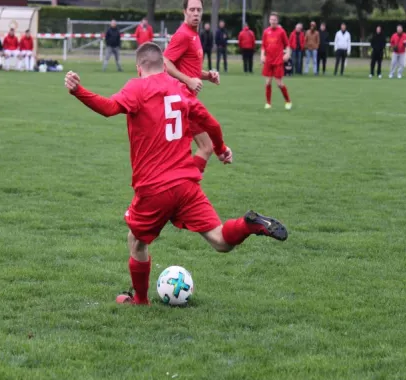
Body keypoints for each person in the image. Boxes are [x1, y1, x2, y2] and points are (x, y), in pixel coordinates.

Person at [64, 42, 288, 306]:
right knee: (220, 241)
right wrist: (221, 148)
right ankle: (248, 225)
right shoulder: (180, 88)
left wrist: (79, 91)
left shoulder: (136, 87)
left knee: (136, 241)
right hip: (186, 184)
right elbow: (212, 124)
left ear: (139, 67)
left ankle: (141, 301)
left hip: (154, 188)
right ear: (163, 65)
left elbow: (109, 108)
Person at [163, 0, 220, 175]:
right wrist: (188, 81)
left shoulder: (194, 35)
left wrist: (207, 75)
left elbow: (189, 68)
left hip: (186, 100)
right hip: (182, 100)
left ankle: (185, 192)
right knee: (206, 146)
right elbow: (165, 62)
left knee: (182, 153)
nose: (196, 13)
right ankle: (191, 192)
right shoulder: (183, 35)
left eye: (199, 10)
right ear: (184, 12)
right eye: (192, 10)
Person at [262, 13, 292, 110]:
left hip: (278, 61)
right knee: (268, 82)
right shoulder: (266, 32)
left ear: (277, 21)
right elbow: (263, 46)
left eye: (274, 20)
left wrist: (287, 53)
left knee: (279, 83)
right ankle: (268, 103)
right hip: (269, 61)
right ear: (269, 21)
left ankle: (288, 101)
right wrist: (262, 55)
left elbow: (287, 44)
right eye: (271, 19)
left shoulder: (281, 32)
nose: (273, 21)